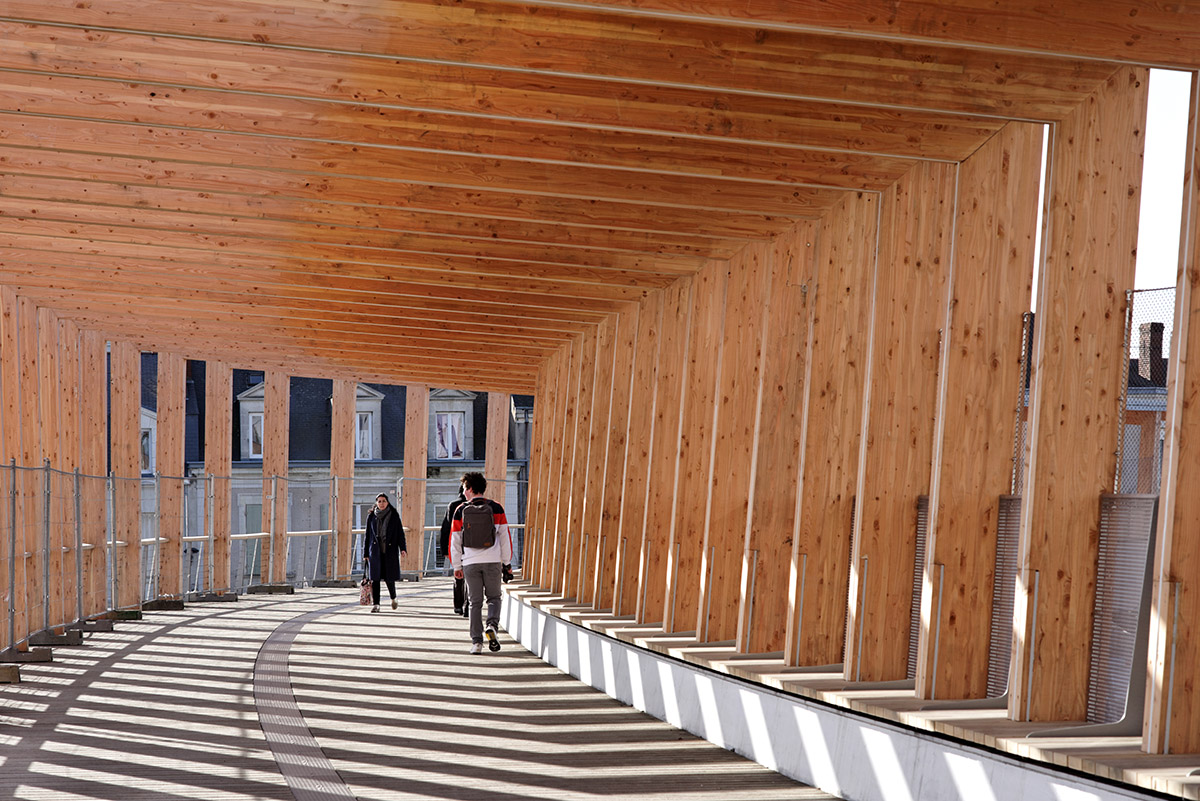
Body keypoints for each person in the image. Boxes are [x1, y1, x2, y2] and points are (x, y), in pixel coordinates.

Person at [449, 472, 513, 654]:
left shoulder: (460, 510)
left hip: (470, 562)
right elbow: (504, 538)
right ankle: (492, 626)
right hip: (492, 560)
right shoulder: (496, 508)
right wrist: (506, 563)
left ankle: (477, 643)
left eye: (464, 489)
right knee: (493, 598)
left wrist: (457, 566)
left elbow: (454, 540)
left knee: (474, 602)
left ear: (469, 488)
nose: (463, 492)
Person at [363, 493, 407, 612]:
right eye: (379, 501)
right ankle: (376, 604)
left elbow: (399, 534)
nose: (381, 503)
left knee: (389, 578)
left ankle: (393, 598)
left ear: (387, 503)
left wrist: (403, 548)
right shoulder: (372, 516)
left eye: (384, 501)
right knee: (375, 579)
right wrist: (366, 553)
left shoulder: (393, 515)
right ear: (376, 503)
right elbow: (367, 536)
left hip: (389, 551)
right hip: (375, 552)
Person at [439, 484, 468, 617]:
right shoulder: (478, 504)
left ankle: (458, 606)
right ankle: (468, 605)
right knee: (471, 578)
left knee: (458, 576)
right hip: (473, 546)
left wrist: (444, 548)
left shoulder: (453, 505)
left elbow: (446, 528)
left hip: (456, 545)